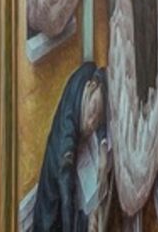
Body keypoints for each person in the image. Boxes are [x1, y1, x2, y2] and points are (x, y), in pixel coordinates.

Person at [32, 63, 112, 232]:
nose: (92, 124)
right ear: (90, 87)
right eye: (93, 112)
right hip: (54, 198)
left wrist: (103, 146)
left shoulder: (90, 73)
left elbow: (102, 110)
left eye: (97, 120)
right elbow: (67, 194)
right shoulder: (67, 137)